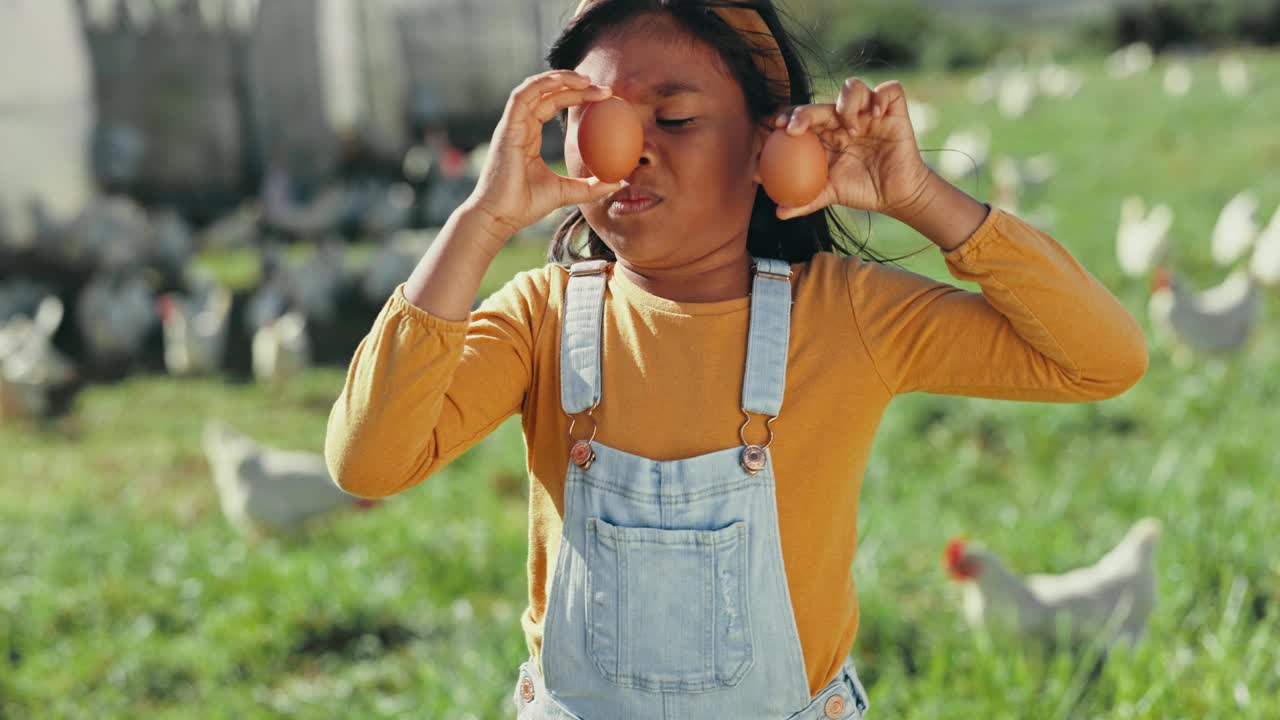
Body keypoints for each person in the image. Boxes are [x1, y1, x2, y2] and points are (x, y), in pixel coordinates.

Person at [324, 1, 1149, 717]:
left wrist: (920, 198)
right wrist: (479, 222)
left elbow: (1100, 359)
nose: (629, 151)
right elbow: (367, 462)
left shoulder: (845, 315)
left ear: (768, 141)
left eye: (674, 120)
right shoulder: (541, 319)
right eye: (595, 120)